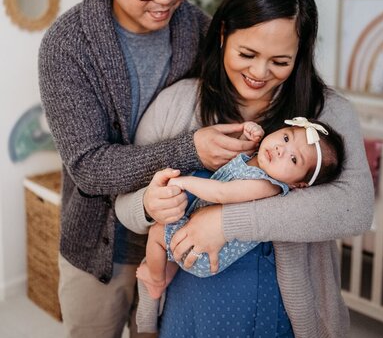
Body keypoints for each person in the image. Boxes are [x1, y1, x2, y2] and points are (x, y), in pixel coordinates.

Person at [115, 0, 374, 338]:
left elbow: (354, 208)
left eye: (280, 61)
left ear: (301, 55)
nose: (259, 73)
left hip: (287, 319)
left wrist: (228, 222)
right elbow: (124, 205)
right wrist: (148, 203)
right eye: (247, 53)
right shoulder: (177, 104)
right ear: (221, 35)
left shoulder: (327, 114)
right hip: (190, 319)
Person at [38, 0, 257, 338]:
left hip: (178, 237)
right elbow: (90, 168)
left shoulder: (199, 30)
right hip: (98, 244)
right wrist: (191, 150)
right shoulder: (66, 46)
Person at [136, 117, 344, 305]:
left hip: (205, 254)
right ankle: (169, 265)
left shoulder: (267, 185)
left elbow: (222, 192)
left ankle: (156, 280)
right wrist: (246, 137)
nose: (282, 149)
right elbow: (232, 167)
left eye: (294, 159)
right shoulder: (258, 162)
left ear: (299, 184)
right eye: (287, 138)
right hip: (200, 231)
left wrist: (184, 182)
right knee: (171, 227)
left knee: (157, 232)